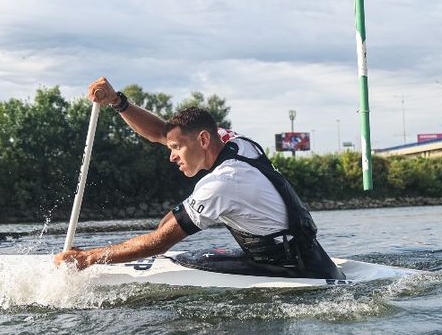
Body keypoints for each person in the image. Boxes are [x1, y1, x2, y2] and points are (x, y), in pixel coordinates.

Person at [53, 77, 344, 280]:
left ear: (203, 139)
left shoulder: (222, 184)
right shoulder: (234, 141)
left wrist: (88, 258)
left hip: (298, 273)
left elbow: (158, 244)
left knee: (171, 244)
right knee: (174, 230)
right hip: (301, 254)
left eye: (177, 149)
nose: (171, 156)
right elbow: (161, 133)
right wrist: (118, 101)